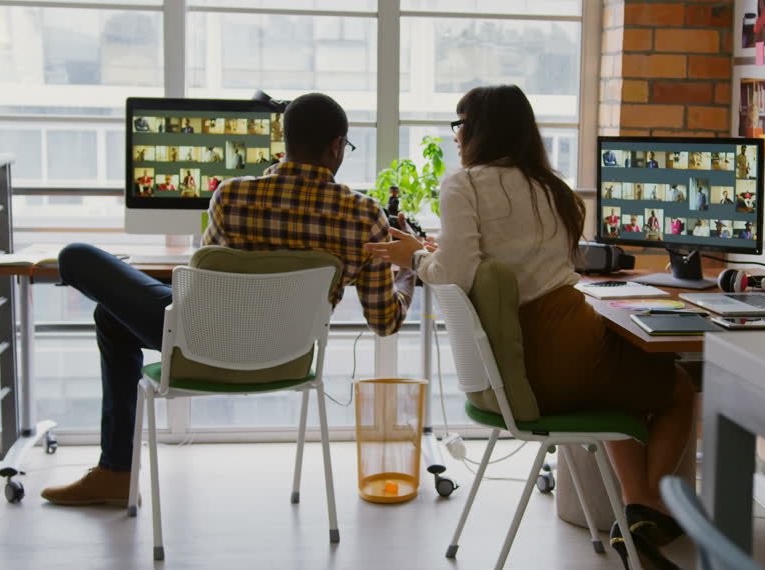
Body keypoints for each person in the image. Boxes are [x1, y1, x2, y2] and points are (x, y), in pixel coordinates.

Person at [363, 85, 694, 570]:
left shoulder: (463, 185)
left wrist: (417, 255)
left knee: (620, 389)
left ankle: (637, 511)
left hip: (515, 371)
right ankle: (649, 507)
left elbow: (459, 271)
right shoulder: (552, 189)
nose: (456, 136)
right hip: (567, 352)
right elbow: (473, 270)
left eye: (460, 125)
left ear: (480, 129)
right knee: (680, 388)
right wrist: (421, 256)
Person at [41, 92, 417, 508]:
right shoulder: (365, 215)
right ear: (336, 146)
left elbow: (203, 282)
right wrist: (408, 272)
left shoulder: (231, 195)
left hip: (205, 346)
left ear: (283, 139)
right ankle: (114, 476)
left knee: (76, 257)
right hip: (288, 359)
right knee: (112, 318)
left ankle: (116, 473)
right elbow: (385, 322)